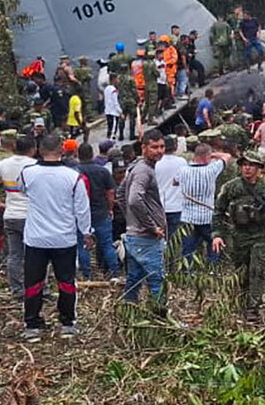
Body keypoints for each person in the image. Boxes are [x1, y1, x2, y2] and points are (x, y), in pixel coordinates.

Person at [17, 135, 92, 342]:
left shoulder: (27, 173)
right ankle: (67, 323)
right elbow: (82, 209)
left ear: (39, 149)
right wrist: (86, 232)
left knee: (33, 282)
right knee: (66, 282)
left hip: (35, 238)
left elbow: (22, 190)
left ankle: (32, 325)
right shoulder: (73, 177)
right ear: (62, 150)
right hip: (64, 238)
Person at [213, 151, 265, 322]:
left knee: (257, 270)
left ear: (259, 169)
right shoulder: (231, 187)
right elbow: (218, 212)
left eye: (251, 165)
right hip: (239, 236)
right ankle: (242, 302)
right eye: (244, 165)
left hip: (260, 235)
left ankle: (253, 308)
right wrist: (217, 235)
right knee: (241, 271)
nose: (247, 168)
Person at [0, 136, 36, 300]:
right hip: (30, 216)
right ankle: (34, 288)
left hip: (11, 215)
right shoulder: (34, 165)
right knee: (34, 254)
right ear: (32, 149)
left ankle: (17, 289)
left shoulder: (5, 164)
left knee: (14, 255)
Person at [122, 130, 167, 305]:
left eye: (162, 147)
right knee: (157, 281)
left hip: (135, 235)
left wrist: (131, 220)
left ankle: (129, 312)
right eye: (154, 147)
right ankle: (161, 318)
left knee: (135, 278)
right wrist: (150, 226)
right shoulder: (143, 171)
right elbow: (133, 199)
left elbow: (120, 194)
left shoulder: (138, 167)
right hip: (146, 238)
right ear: (144, 147)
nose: (159, 151)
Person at [73, 144, 119, 280]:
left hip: (81, 214)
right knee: (106, 244)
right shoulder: (103, 171)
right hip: (101, 213)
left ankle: (86, 275)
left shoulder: (74, 172)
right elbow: (110, 192)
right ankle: (114, 273)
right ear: (92, 154)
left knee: (83, 245)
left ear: (78, 155)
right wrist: (110, 208)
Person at [178, 144, 228, 264]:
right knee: (213, 245)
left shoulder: (183, 170)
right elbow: (227, 156)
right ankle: (213, 269)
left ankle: (186, 274)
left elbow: (175, 182)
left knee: (188, 250)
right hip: (207, 216)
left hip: (187, 218)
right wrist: (214, 154)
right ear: (207, 157)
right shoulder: (211, 170)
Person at [155, 136, 187, 240]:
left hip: (159, 207)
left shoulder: (156, 163)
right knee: (177, 241)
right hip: (178, 207)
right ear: (175, 146)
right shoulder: (182, 162)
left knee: (161, 239)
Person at [104, 74, 122, 140]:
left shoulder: (106, 89)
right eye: (117, 79)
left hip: (107, 112)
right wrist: (120, 112)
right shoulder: (113, 90)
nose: (118, 81)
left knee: (109, 128)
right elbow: (115, 102)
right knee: (113, 130)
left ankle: (108, 140)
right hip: (114, 113)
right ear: (114, 80)